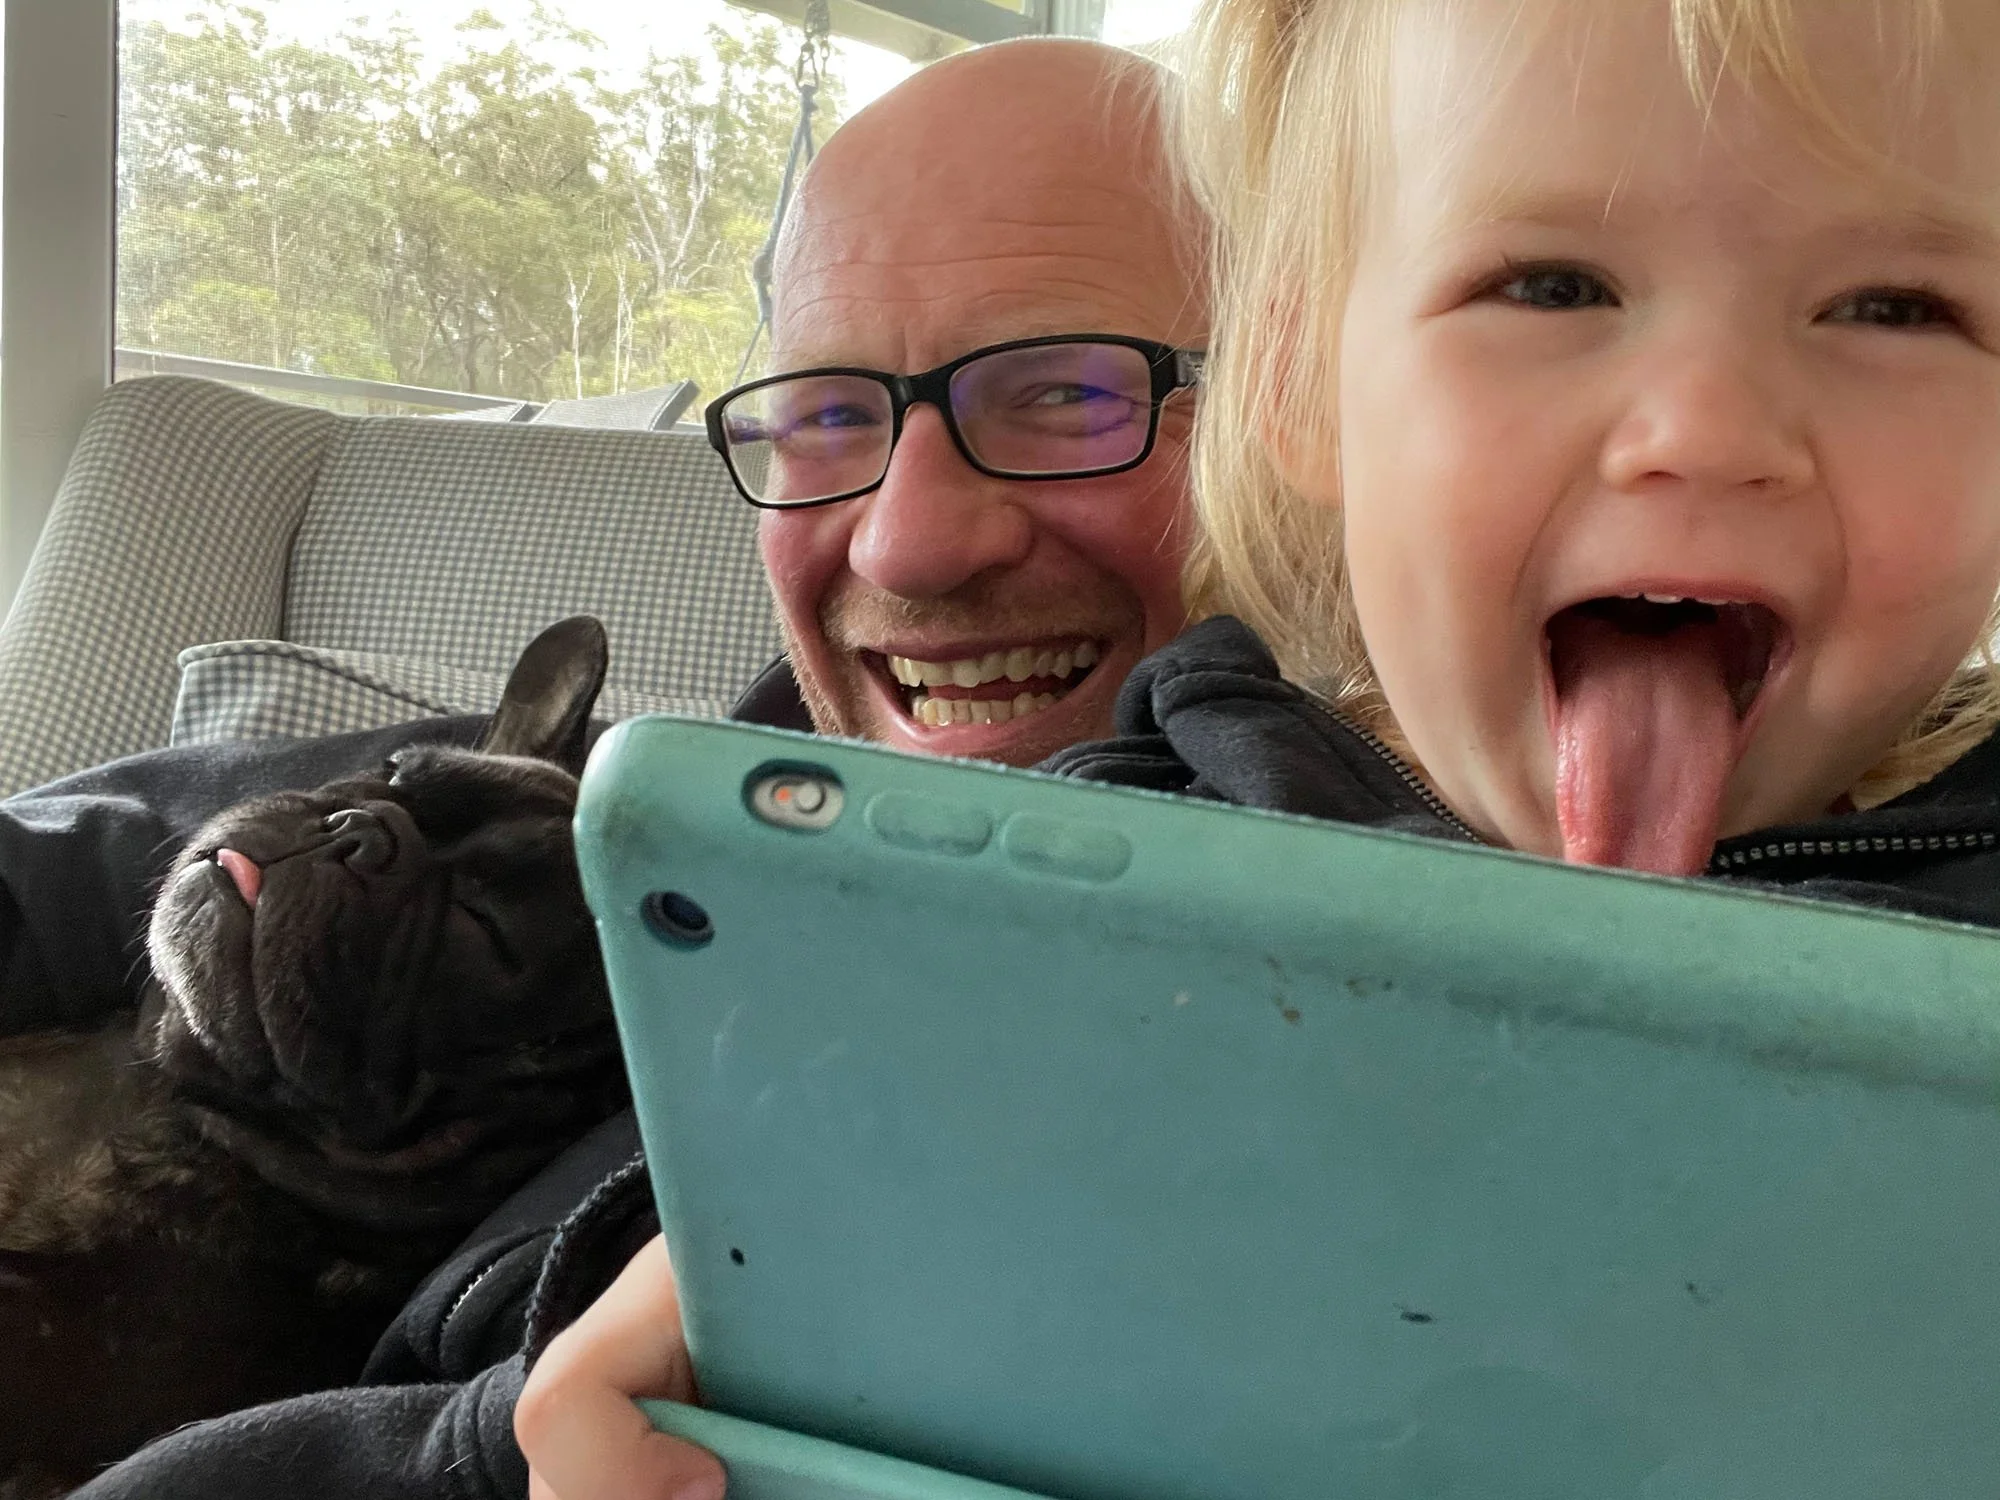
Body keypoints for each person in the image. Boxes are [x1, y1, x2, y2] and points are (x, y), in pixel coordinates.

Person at [516, 0, 2000, 1496]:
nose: (1706, 428)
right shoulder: (1129, 856)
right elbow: (879, 1146)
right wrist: (758, 1255)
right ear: (1297, 383)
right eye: (1551, 285)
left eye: (1894, 307)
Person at [52, 34, 1206, 1500]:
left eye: (1067, 395)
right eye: (830, 412)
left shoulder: (1279, 1037)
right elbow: (127, 841)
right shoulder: (699, 775)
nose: (907, 541)